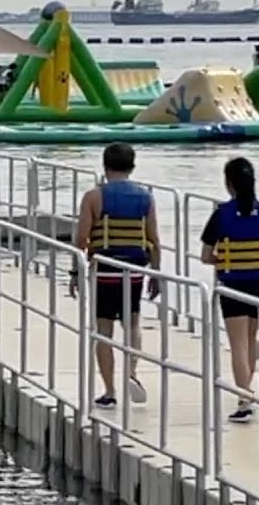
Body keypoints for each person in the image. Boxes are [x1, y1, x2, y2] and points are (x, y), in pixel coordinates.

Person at [71, 143, 160, 409]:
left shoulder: (93, 197)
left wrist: (75, 272)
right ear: (132, 167)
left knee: (104, 329)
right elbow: (153, 239)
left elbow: (81, 239)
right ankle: (131, 371)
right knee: (132, 323)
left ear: (104, 166)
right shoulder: (146, 197)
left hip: (105, 268)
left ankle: (109, 391)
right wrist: (155, 272)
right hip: (134, 270)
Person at [199, 157, 259, 423]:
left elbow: (205, 255)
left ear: (228, 183)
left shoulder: (221, 213)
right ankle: (247, 391)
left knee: (237, 343)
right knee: (251, 338)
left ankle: (244, 398)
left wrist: (226, 259)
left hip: (232, 284)